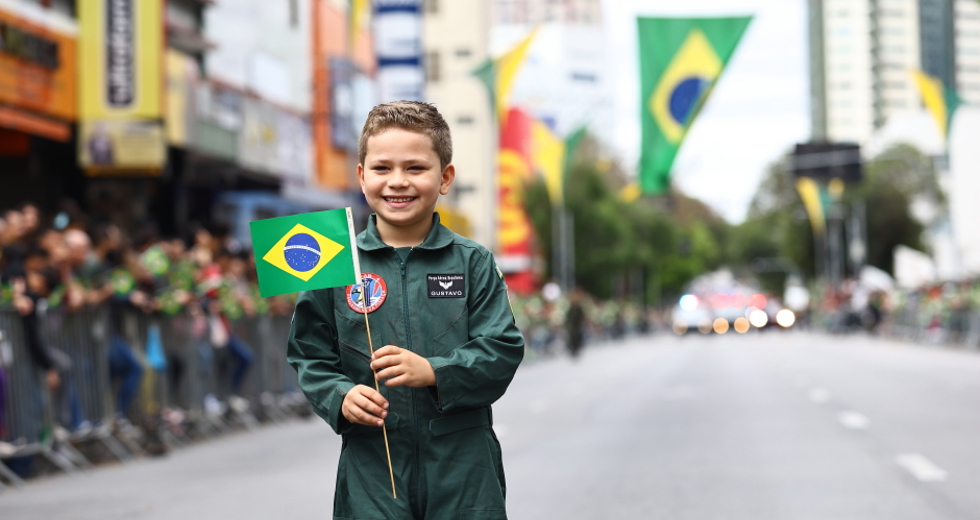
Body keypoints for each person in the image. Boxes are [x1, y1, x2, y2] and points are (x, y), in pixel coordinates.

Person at [287, 101, 524, 520]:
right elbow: (310, 355)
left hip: (464, 469)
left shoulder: (473, 262)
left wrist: (434, 371)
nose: (398, 181)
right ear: (362, 176)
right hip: (372, 468)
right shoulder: (333, 261)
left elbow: (501, 349)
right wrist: (341, 396)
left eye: (415, 168)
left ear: (445, 177)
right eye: (382, 168)